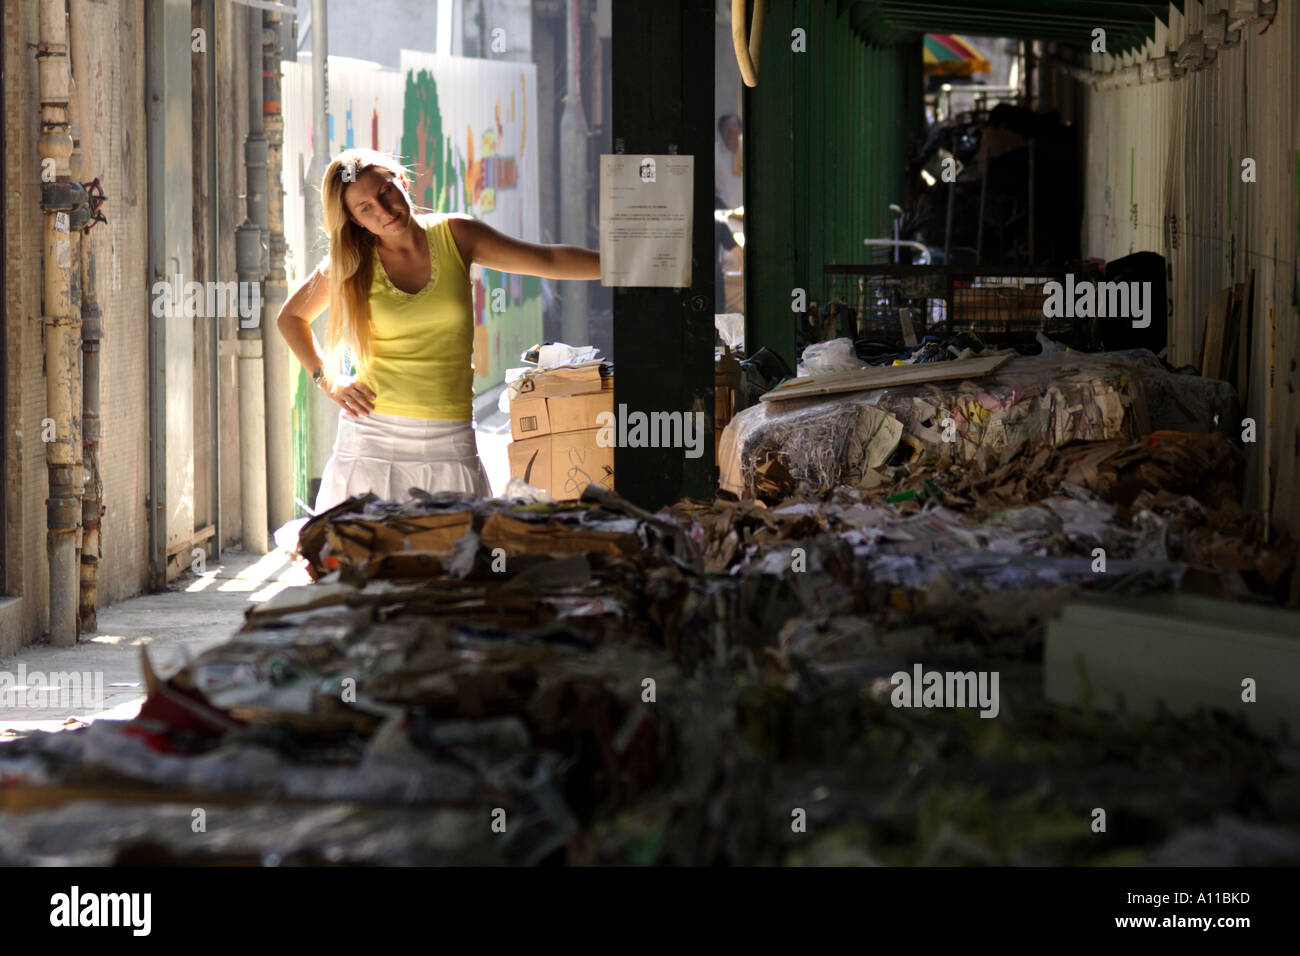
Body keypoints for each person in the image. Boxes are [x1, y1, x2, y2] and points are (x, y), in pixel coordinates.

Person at [276, 148, 601, 513]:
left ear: (401, 181)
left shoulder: (456, 236)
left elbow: (548, 260)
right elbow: (290, 318)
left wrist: (627, 266)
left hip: (451, 438)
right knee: (364, 565)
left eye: (384, 192)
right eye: (365, 208)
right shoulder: (351, 261)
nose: (383, 211)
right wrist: (328, 380)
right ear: (354, 221)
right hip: (372, 439)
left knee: (455, 562)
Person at [714, 113, 743, 211]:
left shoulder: (748, 150)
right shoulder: (715, 153)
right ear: (721, 131)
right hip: (722, 208)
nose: (731, 131)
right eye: (726, 127)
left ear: (740, 130)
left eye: (734, 125)